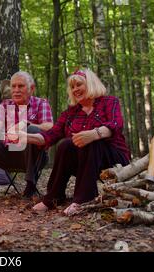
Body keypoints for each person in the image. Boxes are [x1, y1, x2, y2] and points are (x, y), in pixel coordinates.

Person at [9, 68, 130, 215]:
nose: (75, 89)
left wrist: (94, 134)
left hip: (113, 158)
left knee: (90, 141)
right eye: (72, 87)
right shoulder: (70, 113)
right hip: (84, 163)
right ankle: (54, 197)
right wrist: (24, 136)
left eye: (79, 84)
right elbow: (49, 136)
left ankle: (83, 199)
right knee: (65, 144)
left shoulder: (109, 102)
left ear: (91, 84)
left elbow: (116, 125)